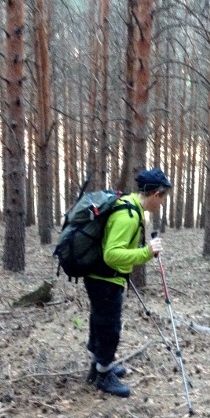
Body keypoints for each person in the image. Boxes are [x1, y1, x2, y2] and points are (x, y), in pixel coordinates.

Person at [84, 167, 172, 398]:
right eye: (163, 199)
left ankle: (98, 366)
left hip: (103, 277)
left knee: (100, 321)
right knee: (109, 327)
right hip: (104, 278)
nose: (162, 204)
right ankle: (104, 375)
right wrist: (146, 253)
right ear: (156, 194)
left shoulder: (131, 206)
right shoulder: (128, 215)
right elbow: (111, 254)